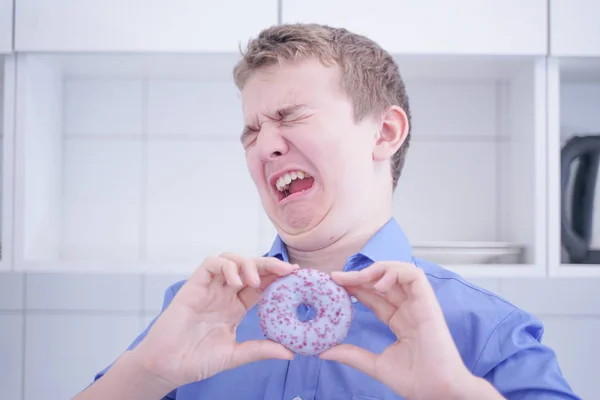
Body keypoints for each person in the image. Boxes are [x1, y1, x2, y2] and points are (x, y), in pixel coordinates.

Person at [74, 23, 579, 400]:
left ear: (384, 133)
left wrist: (455, 394)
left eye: (290, 116)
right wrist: (146, 376)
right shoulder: (195, 316)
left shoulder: (487, 330)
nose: (263, 146)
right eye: (250, 131)